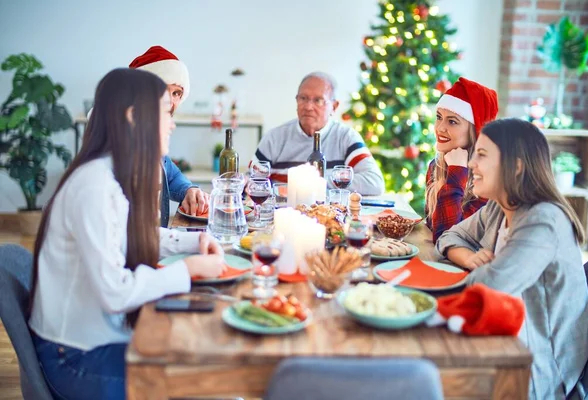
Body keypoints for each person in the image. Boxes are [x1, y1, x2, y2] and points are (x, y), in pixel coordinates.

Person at [28, 68, 226, 400]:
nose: (173, 122)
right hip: (76, 355)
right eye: (166, 110)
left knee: (203, 361)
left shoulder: (111, 172)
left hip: (101, 336)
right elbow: (115, 294)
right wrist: (187, 271)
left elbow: (134, 236)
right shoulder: (94, 186)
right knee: (203, 384)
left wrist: (195, 241)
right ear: (135, 117)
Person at [435, 118, 588, 399]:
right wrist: (471, 258)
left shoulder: (543, 221)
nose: (472, 164)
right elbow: (448, 237)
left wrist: (488, 270)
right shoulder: (500, 208)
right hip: (501, 340)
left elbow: (489, 287)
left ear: (516, 166)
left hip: (535, 371)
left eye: (482, 155)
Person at [251, 72, 385, 196]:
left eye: (318, 100)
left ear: (334, 106)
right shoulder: (275, 137)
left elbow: (375, 182)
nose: (308, 107)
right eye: (303, 98)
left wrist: (316, 181)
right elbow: (253, 180)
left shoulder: (345, 137)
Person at [129, 45, 209, 226]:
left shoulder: (149, 137)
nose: (171, 102)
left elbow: (171, 175)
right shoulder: (122, 146)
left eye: (176, 93)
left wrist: (189, 189)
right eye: (164, 92)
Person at [425, 77, 498, 242]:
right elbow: (433, 230)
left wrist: (457, 172)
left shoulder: (489, 180)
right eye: (438, 117)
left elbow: (448, 238)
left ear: (475, 131)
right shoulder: (436, 167)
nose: (440, 128)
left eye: (452, 121)